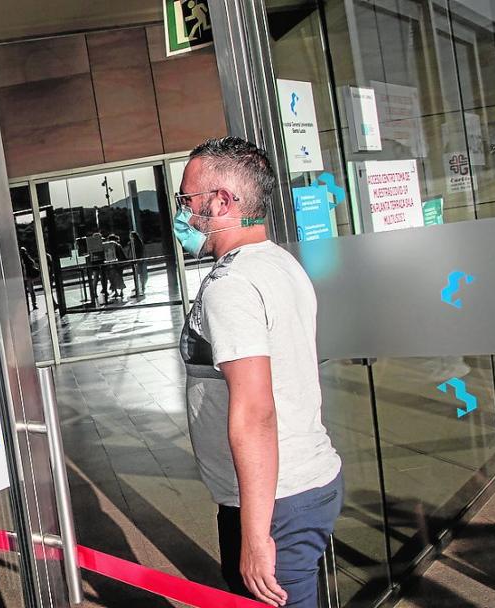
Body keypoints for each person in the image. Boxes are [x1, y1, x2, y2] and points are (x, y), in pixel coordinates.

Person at [174, 137, 342, 608]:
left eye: (187, 199)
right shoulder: (278, 262)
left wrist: (255, 535)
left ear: (222, 201)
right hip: (299, 484)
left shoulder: (231, 286)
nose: (183, 213)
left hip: (274, 503)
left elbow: (255, 413)